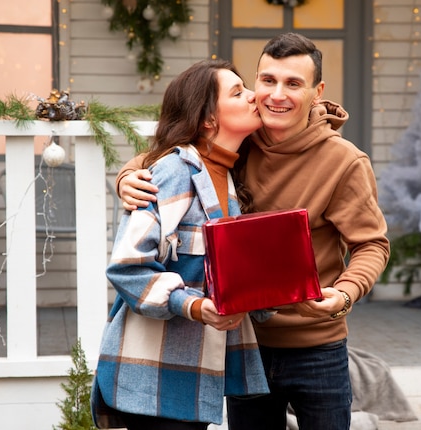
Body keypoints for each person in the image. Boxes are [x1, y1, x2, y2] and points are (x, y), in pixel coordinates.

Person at [115, 33, 390, 430]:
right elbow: (173, 153)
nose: (276, 95)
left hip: (316, 345)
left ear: (318, 91)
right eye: (267, 80)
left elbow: (371, 245)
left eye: (293, 83)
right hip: (246, 342)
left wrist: (345, 294)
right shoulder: (239, 136)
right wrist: (128, 174)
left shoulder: (345, 162)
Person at [90, 59, 269, 430]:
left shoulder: (228, 178)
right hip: (155, 374)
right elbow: (128, 265)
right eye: (238, 92)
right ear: (208, 120)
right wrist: (196, 305)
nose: (255, 96)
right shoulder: (175, 172)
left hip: (195, 372)